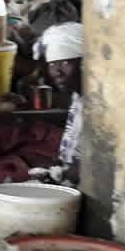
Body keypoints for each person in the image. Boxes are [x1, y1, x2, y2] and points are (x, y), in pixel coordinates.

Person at [33, 21, 83, 184]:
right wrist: (57, 169)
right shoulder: (77, 97)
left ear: (84, 62)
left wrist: (67, 173)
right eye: (52, 64)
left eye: (65, 62)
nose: (57, 72)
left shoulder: (100, 102)